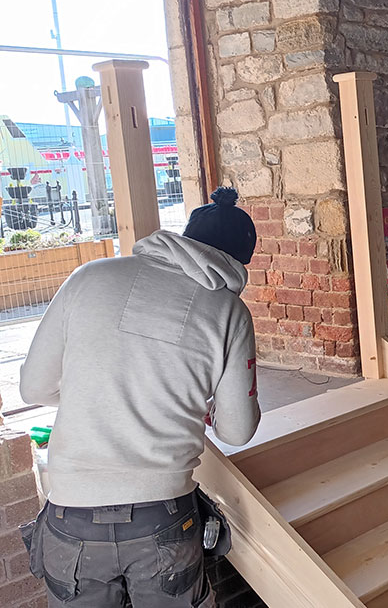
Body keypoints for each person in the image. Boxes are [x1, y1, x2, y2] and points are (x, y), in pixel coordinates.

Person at [20, 187, 262, 607]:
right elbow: (237, 431)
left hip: (70, 516)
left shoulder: (89, 277)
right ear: (239, 262)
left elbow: (34, 388)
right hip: (164, 519)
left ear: (184, 237)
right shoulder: (229, 311)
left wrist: (101, 394)